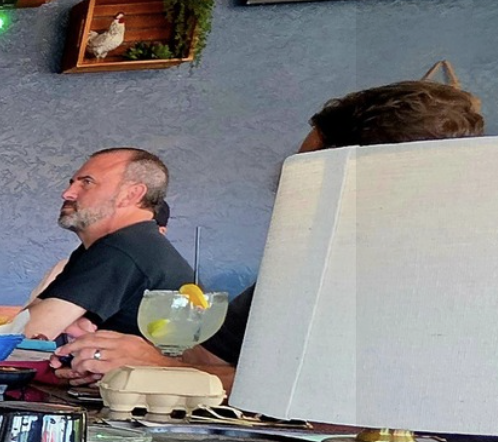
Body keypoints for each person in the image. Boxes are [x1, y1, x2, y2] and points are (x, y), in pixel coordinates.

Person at [54, 80, 486, 385]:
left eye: (305, 169)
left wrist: (163, 370)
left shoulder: (450, 284)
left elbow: (346, 408)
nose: (283, 184)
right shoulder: (308, 268)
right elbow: (210, 357)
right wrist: (114, 354)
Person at [20, 148, 191, 343]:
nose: (67, 193)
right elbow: (30, 322)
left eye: (87, 183)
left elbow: (23, 335)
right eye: (72, 183)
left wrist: (58, 325)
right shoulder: (118, 245)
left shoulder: (124, 249)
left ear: (131, 194)